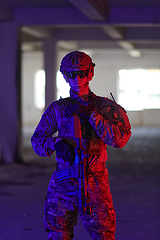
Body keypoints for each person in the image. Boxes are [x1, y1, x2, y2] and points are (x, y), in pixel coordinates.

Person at [31, 51, 131, 240]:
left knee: (103, 234)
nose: (76, 78)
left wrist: (91, 114)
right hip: (63, 182)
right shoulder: (58, 109)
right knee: (58, 233)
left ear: (91, 73)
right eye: (71, 74)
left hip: (95, 183)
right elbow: (37, 141)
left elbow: (120, 140)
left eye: (82, 73)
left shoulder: (105, 108)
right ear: (64, 76)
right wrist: (56, 142)